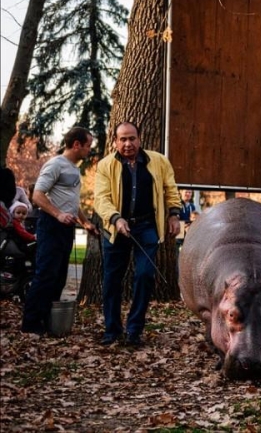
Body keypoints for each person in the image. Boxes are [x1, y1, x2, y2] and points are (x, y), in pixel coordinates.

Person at [94, 121, 182, 346]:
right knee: (112, 280)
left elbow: (171, 189)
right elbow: (101, 199)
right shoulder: (105, 165)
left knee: (144, 275)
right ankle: (112, 331)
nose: (128, 144)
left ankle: (134, 330)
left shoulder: (158, 161)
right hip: (116, 229)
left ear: (139, 139)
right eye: (122, 139)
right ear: (115, 142)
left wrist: (174, 215)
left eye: (132, 138)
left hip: (147, 227)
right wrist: (116, 218)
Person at [21, 127, 96, 335]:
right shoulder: (55, 165)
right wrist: (58, 214)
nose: (89, 149)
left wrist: (85, 222)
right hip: (51, 226)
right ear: (76, 144)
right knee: (46, 275)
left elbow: (72, 202)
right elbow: (37, 195)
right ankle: (30, 324)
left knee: (60, 277)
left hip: (66, 228)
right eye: (88, 145)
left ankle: (49, 322)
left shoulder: (74, 169)